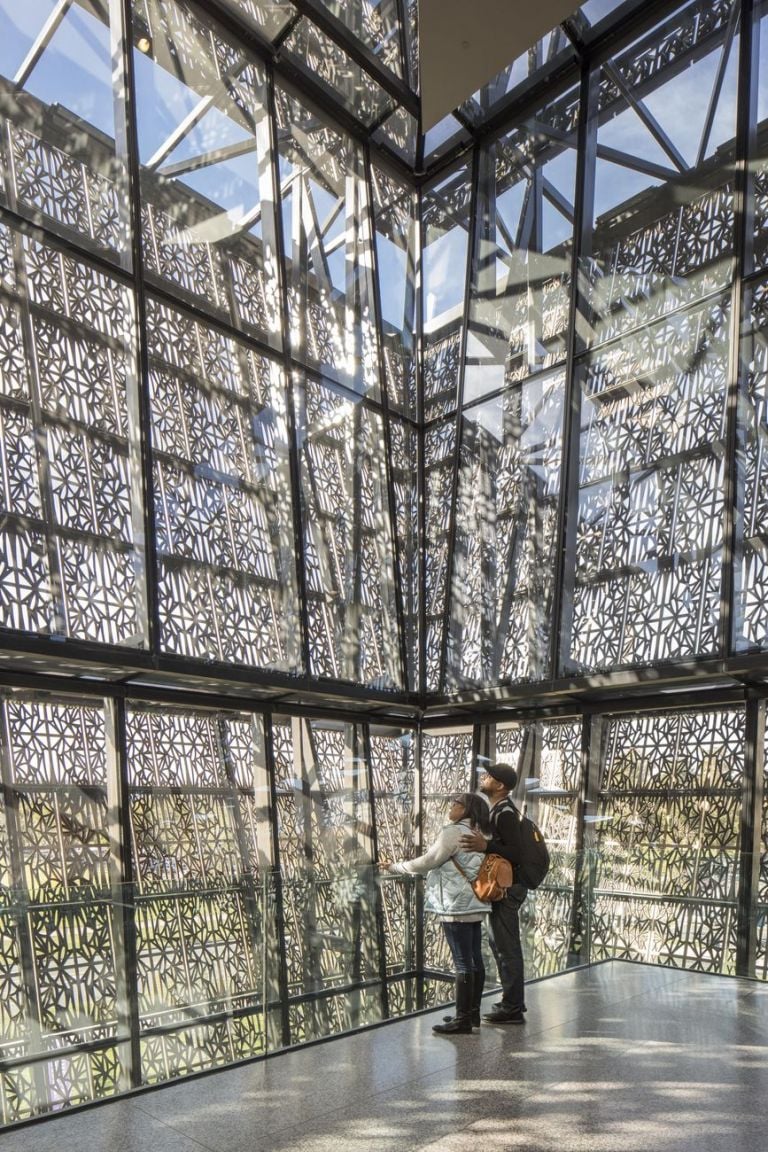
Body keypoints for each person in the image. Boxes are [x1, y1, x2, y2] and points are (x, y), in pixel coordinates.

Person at [380, 793, 490, 1034]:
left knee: (463, 963)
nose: (451, 806)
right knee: (474, 960)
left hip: (455, 905)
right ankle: (472, 1014)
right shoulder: (483, 833)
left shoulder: (453, 832)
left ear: (467, 809)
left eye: (457, 803)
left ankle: (462, 1019)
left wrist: (395, 867)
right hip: (476, 901)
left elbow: (428, 861)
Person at [460, 763, 528, 1024]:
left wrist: (485, 844)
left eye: (489, 776)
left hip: (507, 889)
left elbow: (516, 852)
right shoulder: (500, 810)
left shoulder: (505, 813)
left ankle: (512, 1007)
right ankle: (511, 1003)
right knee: (500, 944)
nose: (483, 778)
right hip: (504, 887)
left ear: (500, 786)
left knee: (506, 946)